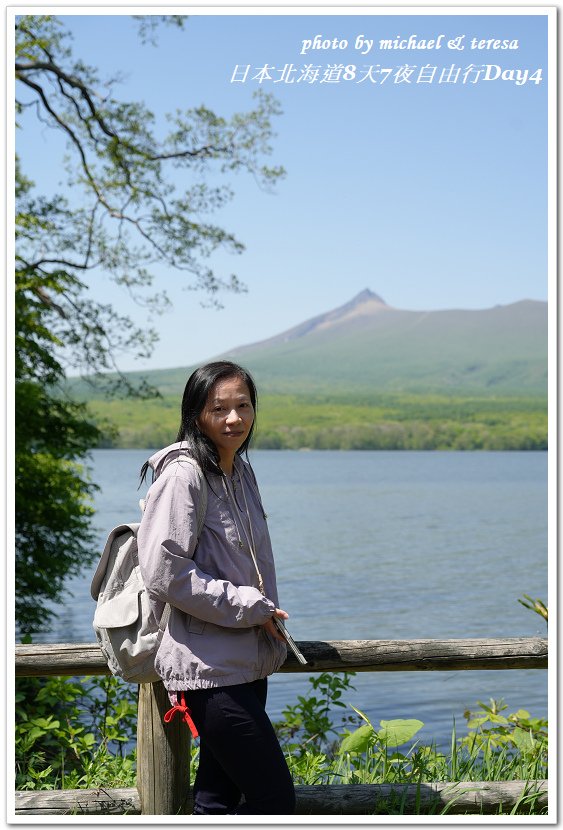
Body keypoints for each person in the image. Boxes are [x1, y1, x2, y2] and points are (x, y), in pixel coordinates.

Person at [137, 360, 296, 815]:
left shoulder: (240, 472)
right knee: (274, 799)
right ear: (196, 414)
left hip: (244, 663)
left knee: (217, 799)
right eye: (219, 408)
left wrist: (260, 614)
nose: (234, 419)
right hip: (206, 671)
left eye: (243, 406)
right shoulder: (182, 476)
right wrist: (248, 605)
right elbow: (164, 572)